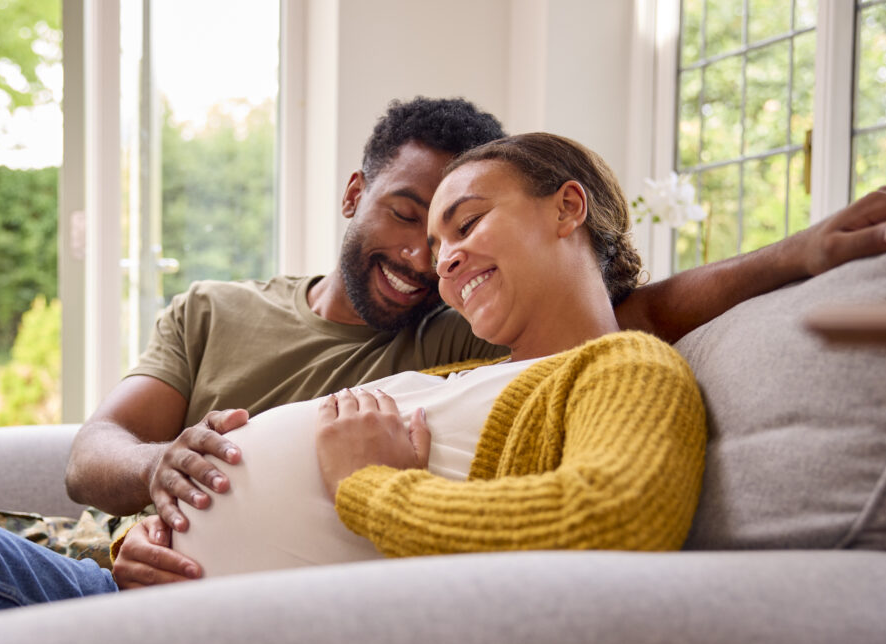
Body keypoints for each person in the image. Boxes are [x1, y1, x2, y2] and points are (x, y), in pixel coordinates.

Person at [0, 98, 886, 644]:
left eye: (462, 224)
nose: (433, 255)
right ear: (355, 197)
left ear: (563, 210)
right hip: (106, 564)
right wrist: (152, 479)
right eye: (417, 215)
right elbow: (97, 449)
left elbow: (621, 342)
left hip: (176, 616)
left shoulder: (485, 349)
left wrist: (798, 255)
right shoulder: (226, 309)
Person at [140, 132, 706, 582]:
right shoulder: (465, 372)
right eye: (440, 250)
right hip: (145, 589)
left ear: (567, 208)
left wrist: (373, 488)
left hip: (213, 639)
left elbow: (620, 518)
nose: (442, 263)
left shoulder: (626, 367)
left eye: (467, 224)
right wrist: (149, 541)